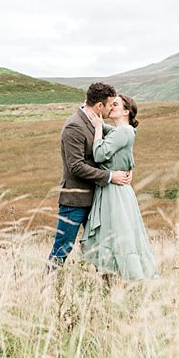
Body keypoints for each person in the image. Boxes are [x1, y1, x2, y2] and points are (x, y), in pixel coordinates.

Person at [47, 83, 133, 270]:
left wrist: (127, 168)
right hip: (75, 200)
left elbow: (117, 144)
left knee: (102, 247)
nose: (113, 108)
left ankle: (106, 289)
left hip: (97, 199)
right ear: (100, 106)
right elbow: (76, 167)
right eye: (111, 104)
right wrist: (111, 176)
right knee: (62, 248)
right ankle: (48, 287)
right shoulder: (74, 127)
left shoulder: (97, 123)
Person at [82, 94, 158, 281]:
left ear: (126, 111)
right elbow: (110, 133)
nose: (110, 107)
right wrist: (90, 110)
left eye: (115, 104)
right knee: (113, 234)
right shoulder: (121, 131)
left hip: (114, 192)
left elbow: (99, 155)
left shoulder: (124, 132)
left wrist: (98, 127)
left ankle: (127, 278)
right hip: (113, 190)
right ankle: (112, 280)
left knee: (118, 235)